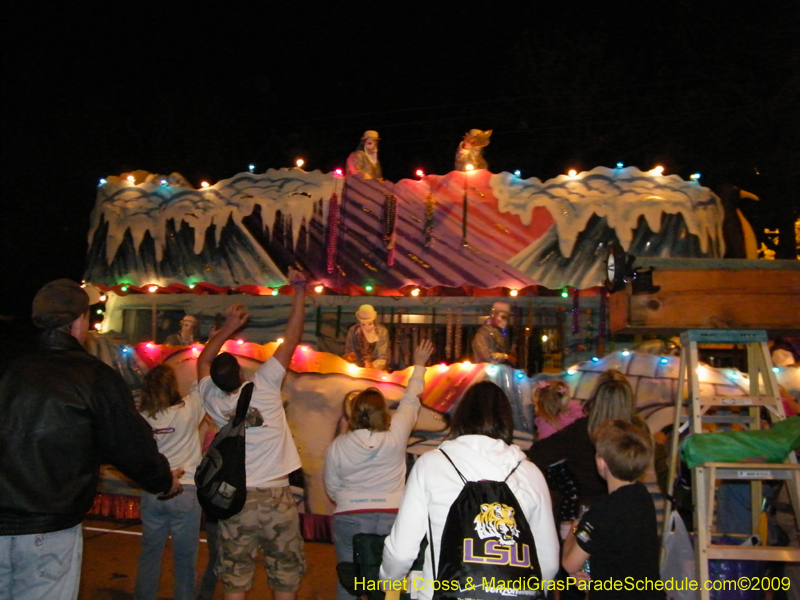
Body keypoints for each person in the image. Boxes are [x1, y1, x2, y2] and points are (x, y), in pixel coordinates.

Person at [0, 278, 180, 600]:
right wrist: (163, 481)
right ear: (79, 321)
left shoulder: (7, 366)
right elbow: (130, 444)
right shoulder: (93, 376)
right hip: (49, 527)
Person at [379, 381, 560, 600]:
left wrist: (388, 581)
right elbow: (548, 563)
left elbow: (401, 552)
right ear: (506, 420)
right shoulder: (530, 473)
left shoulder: (431, 465)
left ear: (461, 417)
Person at [196, 268, 308, 600]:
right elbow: (293, 337)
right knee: (285, 576)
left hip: (237, 498)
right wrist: (299, 292)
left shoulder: (212, 400)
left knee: (235, 578)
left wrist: (227, 329)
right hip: (276, 496)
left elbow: (203, 361)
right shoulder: (265, 386)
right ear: (242, 372)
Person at [324, 339, 434, 600]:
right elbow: (411, 398)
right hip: (392, 515)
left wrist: (352, 497)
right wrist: (419, 364)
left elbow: (331, 486)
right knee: (392, 584)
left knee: (350, 581)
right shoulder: (396, 434)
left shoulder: (337, 446)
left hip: (350, 515)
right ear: (383, 411)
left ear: (353, 413)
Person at [562, 420, 664, 599]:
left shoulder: (601, 513)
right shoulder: (643, 497)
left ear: (601, 463)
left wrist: (574, 529)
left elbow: (569, 564)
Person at [528, 369, 645, 524]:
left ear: (596, 398)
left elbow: (538, 454)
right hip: (631, 509)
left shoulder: (582, 430)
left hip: (588, 513)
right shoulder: (639, 430)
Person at [134, 364, 205, 600]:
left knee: (150, 554)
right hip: (185, 490)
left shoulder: (142, 417)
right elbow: (203, 383)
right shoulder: (188, 409)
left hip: (153, 490)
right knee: (185, 559)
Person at [343, 304, 390, 370]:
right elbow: (348, 352)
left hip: (377, 372)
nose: (367, 327)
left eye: (369, 323)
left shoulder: (381, 331)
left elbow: (382, 355)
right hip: (357, 370)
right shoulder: (353, 331)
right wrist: (350, 358)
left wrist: (373, 365)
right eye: (363, 324)